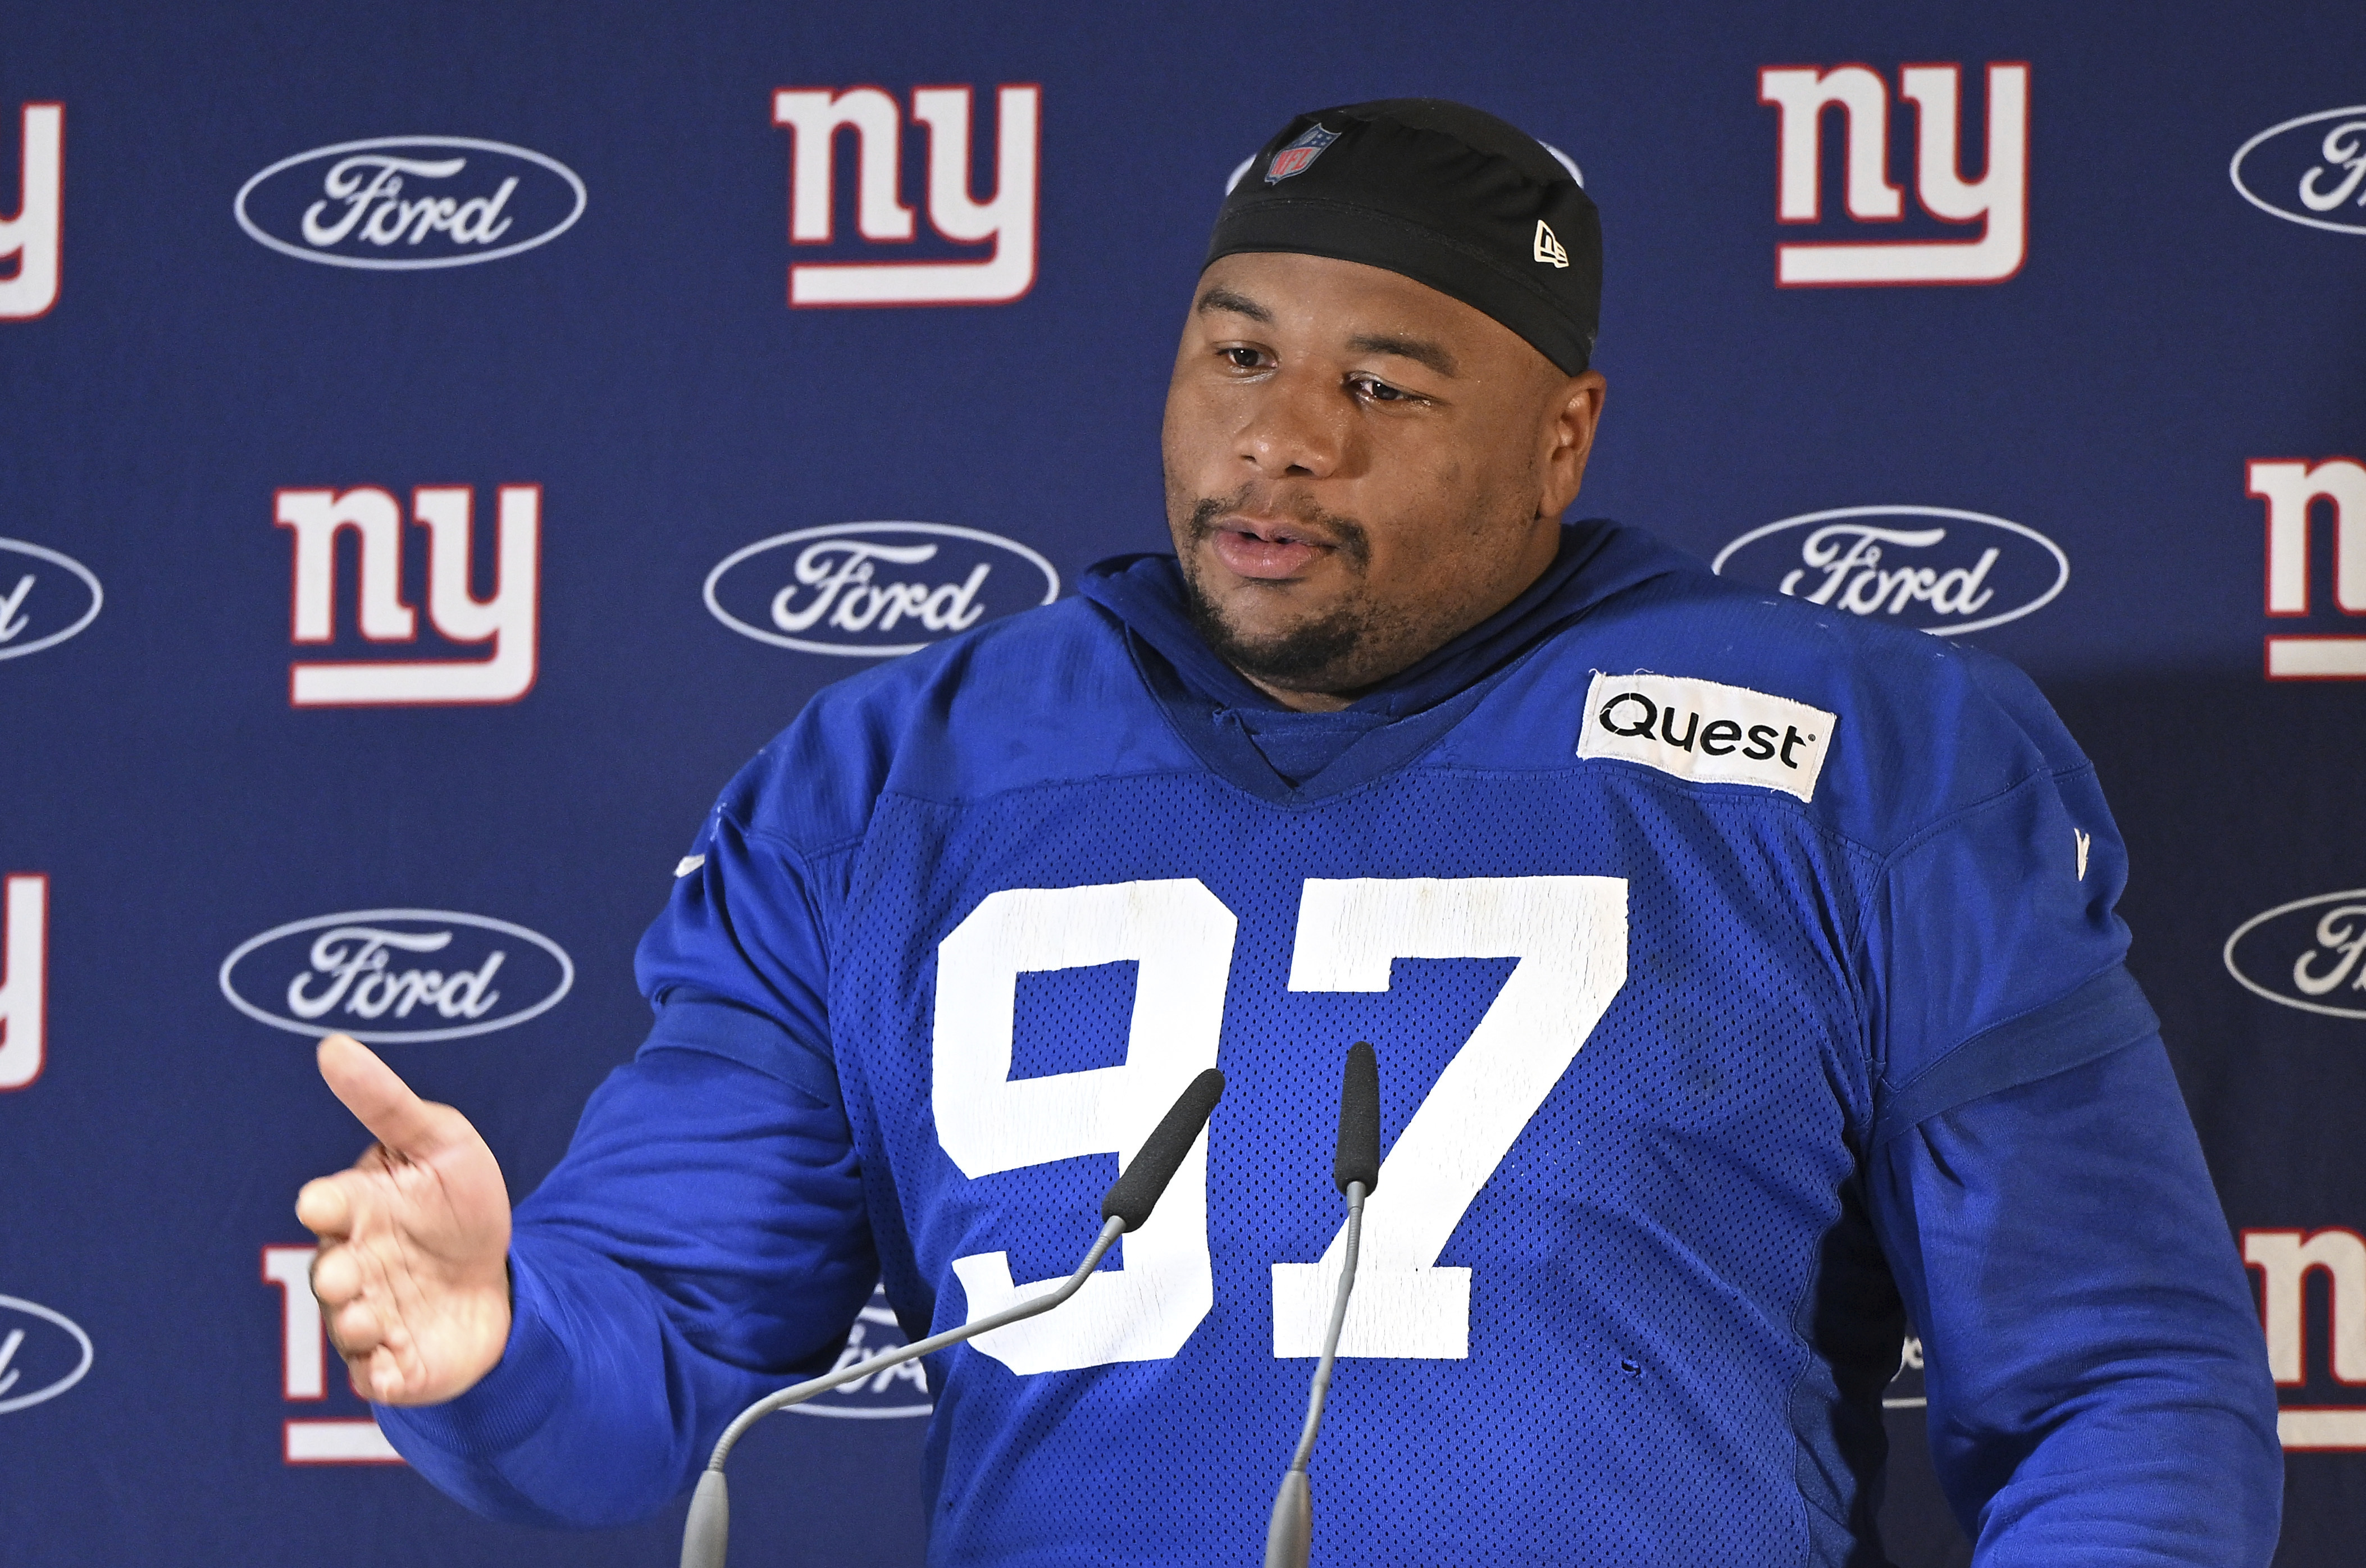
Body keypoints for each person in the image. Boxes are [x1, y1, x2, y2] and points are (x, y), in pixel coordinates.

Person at [295, 98, 2282, 1564]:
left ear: (1562, 439)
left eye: (1385, 388)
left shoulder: (1862, 759)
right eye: (1239, 353)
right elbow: (649, 1365)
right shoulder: (881, 782)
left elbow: (2122, 1387)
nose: (1283, 439)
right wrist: (489, 1341)